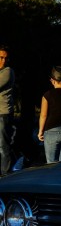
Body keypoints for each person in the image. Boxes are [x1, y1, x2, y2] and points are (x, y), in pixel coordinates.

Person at [0, 45, 14, 175]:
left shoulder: (7, 71)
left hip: (3, 114)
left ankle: (5, 175)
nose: (3, 61)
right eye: (1, 57)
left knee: (3, 147)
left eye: (6, 58)